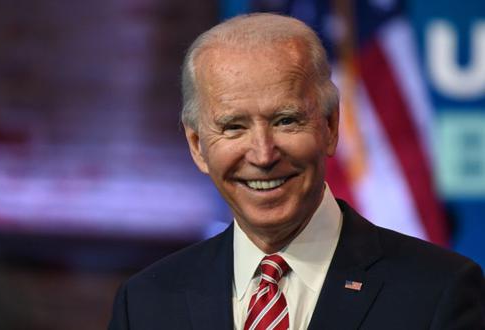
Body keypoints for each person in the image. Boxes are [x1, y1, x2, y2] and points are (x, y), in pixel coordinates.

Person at [109, 13, 484, 330]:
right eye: (234, 127)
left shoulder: (439, 292)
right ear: (197, 146)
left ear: (331, 127)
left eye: (286, 120)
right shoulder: (145, 304)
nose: (263, 154)